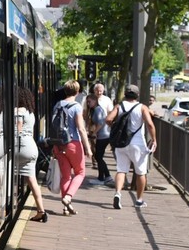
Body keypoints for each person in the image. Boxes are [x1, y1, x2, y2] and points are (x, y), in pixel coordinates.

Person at [107, 84, 156, 209]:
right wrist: (154, 140)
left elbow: (108, 119)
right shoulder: (142, 107)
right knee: (140, 172)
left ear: (125, 95)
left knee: (121, 170)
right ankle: (139, 200)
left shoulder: (119, 106)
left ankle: (118, 193)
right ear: (137, 95)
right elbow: (150, 124)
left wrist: (115, 127)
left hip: (121, 143)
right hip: (138, 144)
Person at [51, 79, 90, 215]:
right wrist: (88, 148)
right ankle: (68, 197)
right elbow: (81, 129)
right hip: (73, 143)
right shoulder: (76, 106)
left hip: (58, 144)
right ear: (78, 92)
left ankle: (66, 207)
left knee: (65, 176)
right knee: (80, 173)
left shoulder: (57, 105)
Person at [14, 88, 46, 222]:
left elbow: (18, 129)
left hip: (21, 146)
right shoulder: (30, 112)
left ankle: (5, 208)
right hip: (32, 148)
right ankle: (41, 211)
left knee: (5, 176)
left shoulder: (19, 111)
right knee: (32, 181)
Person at [88, 83, 114, 185]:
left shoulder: (98, 110)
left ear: (95, 101)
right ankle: (101, 177)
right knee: (99, 156)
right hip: (104, 135)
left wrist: (94, 132)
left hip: (103, 135)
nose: (88, 104)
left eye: (89, 102)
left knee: (98, 156)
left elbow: (100, 123)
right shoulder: (96, 109)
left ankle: (107, 176)